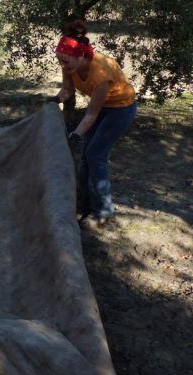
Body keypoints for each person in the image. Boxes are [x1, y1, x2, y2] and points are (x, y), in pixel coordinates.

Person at [53, 20, 137, 224]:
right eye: (60, 61)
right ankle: (83, 204)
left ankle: (103, 211)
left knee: (95, 155)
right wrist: (56, 99)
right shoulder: (69, 64)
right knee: (86, 156)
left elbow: (91, 114)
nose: (63, 66)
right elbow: (67, 90)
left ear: (81, 56)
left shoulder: (101, 73)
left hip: (121, 109)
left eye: (66, 62)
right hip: (102, 107)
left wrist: (75, 134)